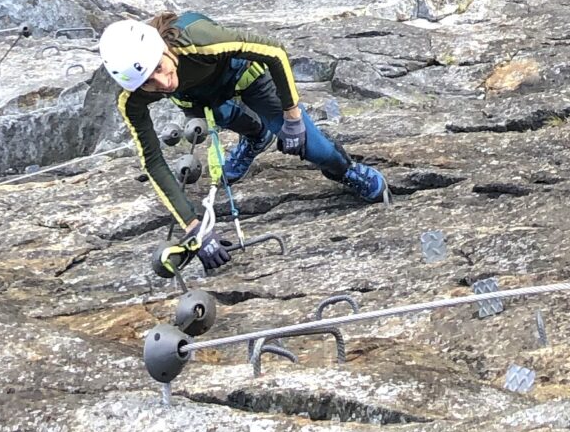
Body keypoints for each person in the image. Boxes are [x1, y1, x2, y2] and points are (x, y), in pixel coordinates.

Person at [101, 14, 387, 275]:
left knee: (316, 150)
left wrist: (292, 116)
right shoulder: (133, 98)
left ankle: (345, 169)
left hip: (246, 78)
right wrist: (194, 227)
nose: (163, 83)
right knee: (221, 114)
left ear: (163, 48)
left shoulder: (199, 40)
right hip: (204, 101)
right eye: (150, 82)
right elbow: (152, 161)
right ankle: (256, 135)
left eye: (160, 68)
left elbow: (273, 51)